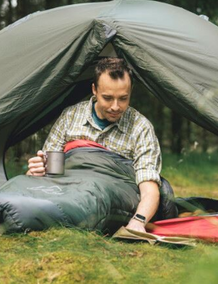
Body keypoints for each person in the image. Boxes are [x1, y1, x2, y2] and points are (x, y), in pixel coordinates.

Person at [26, 57, 161, 233]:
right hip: (66, 190)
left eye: (123, 98)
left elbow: (149, 188)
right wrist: (35, 171)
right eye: (107, 98)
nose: (115, 107)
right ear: (94, 90)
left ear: (130, 92)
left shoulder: (140, 128)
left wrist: (138, 222)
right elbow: (50, 173)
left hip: (106, 197)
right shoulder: (71, 117)